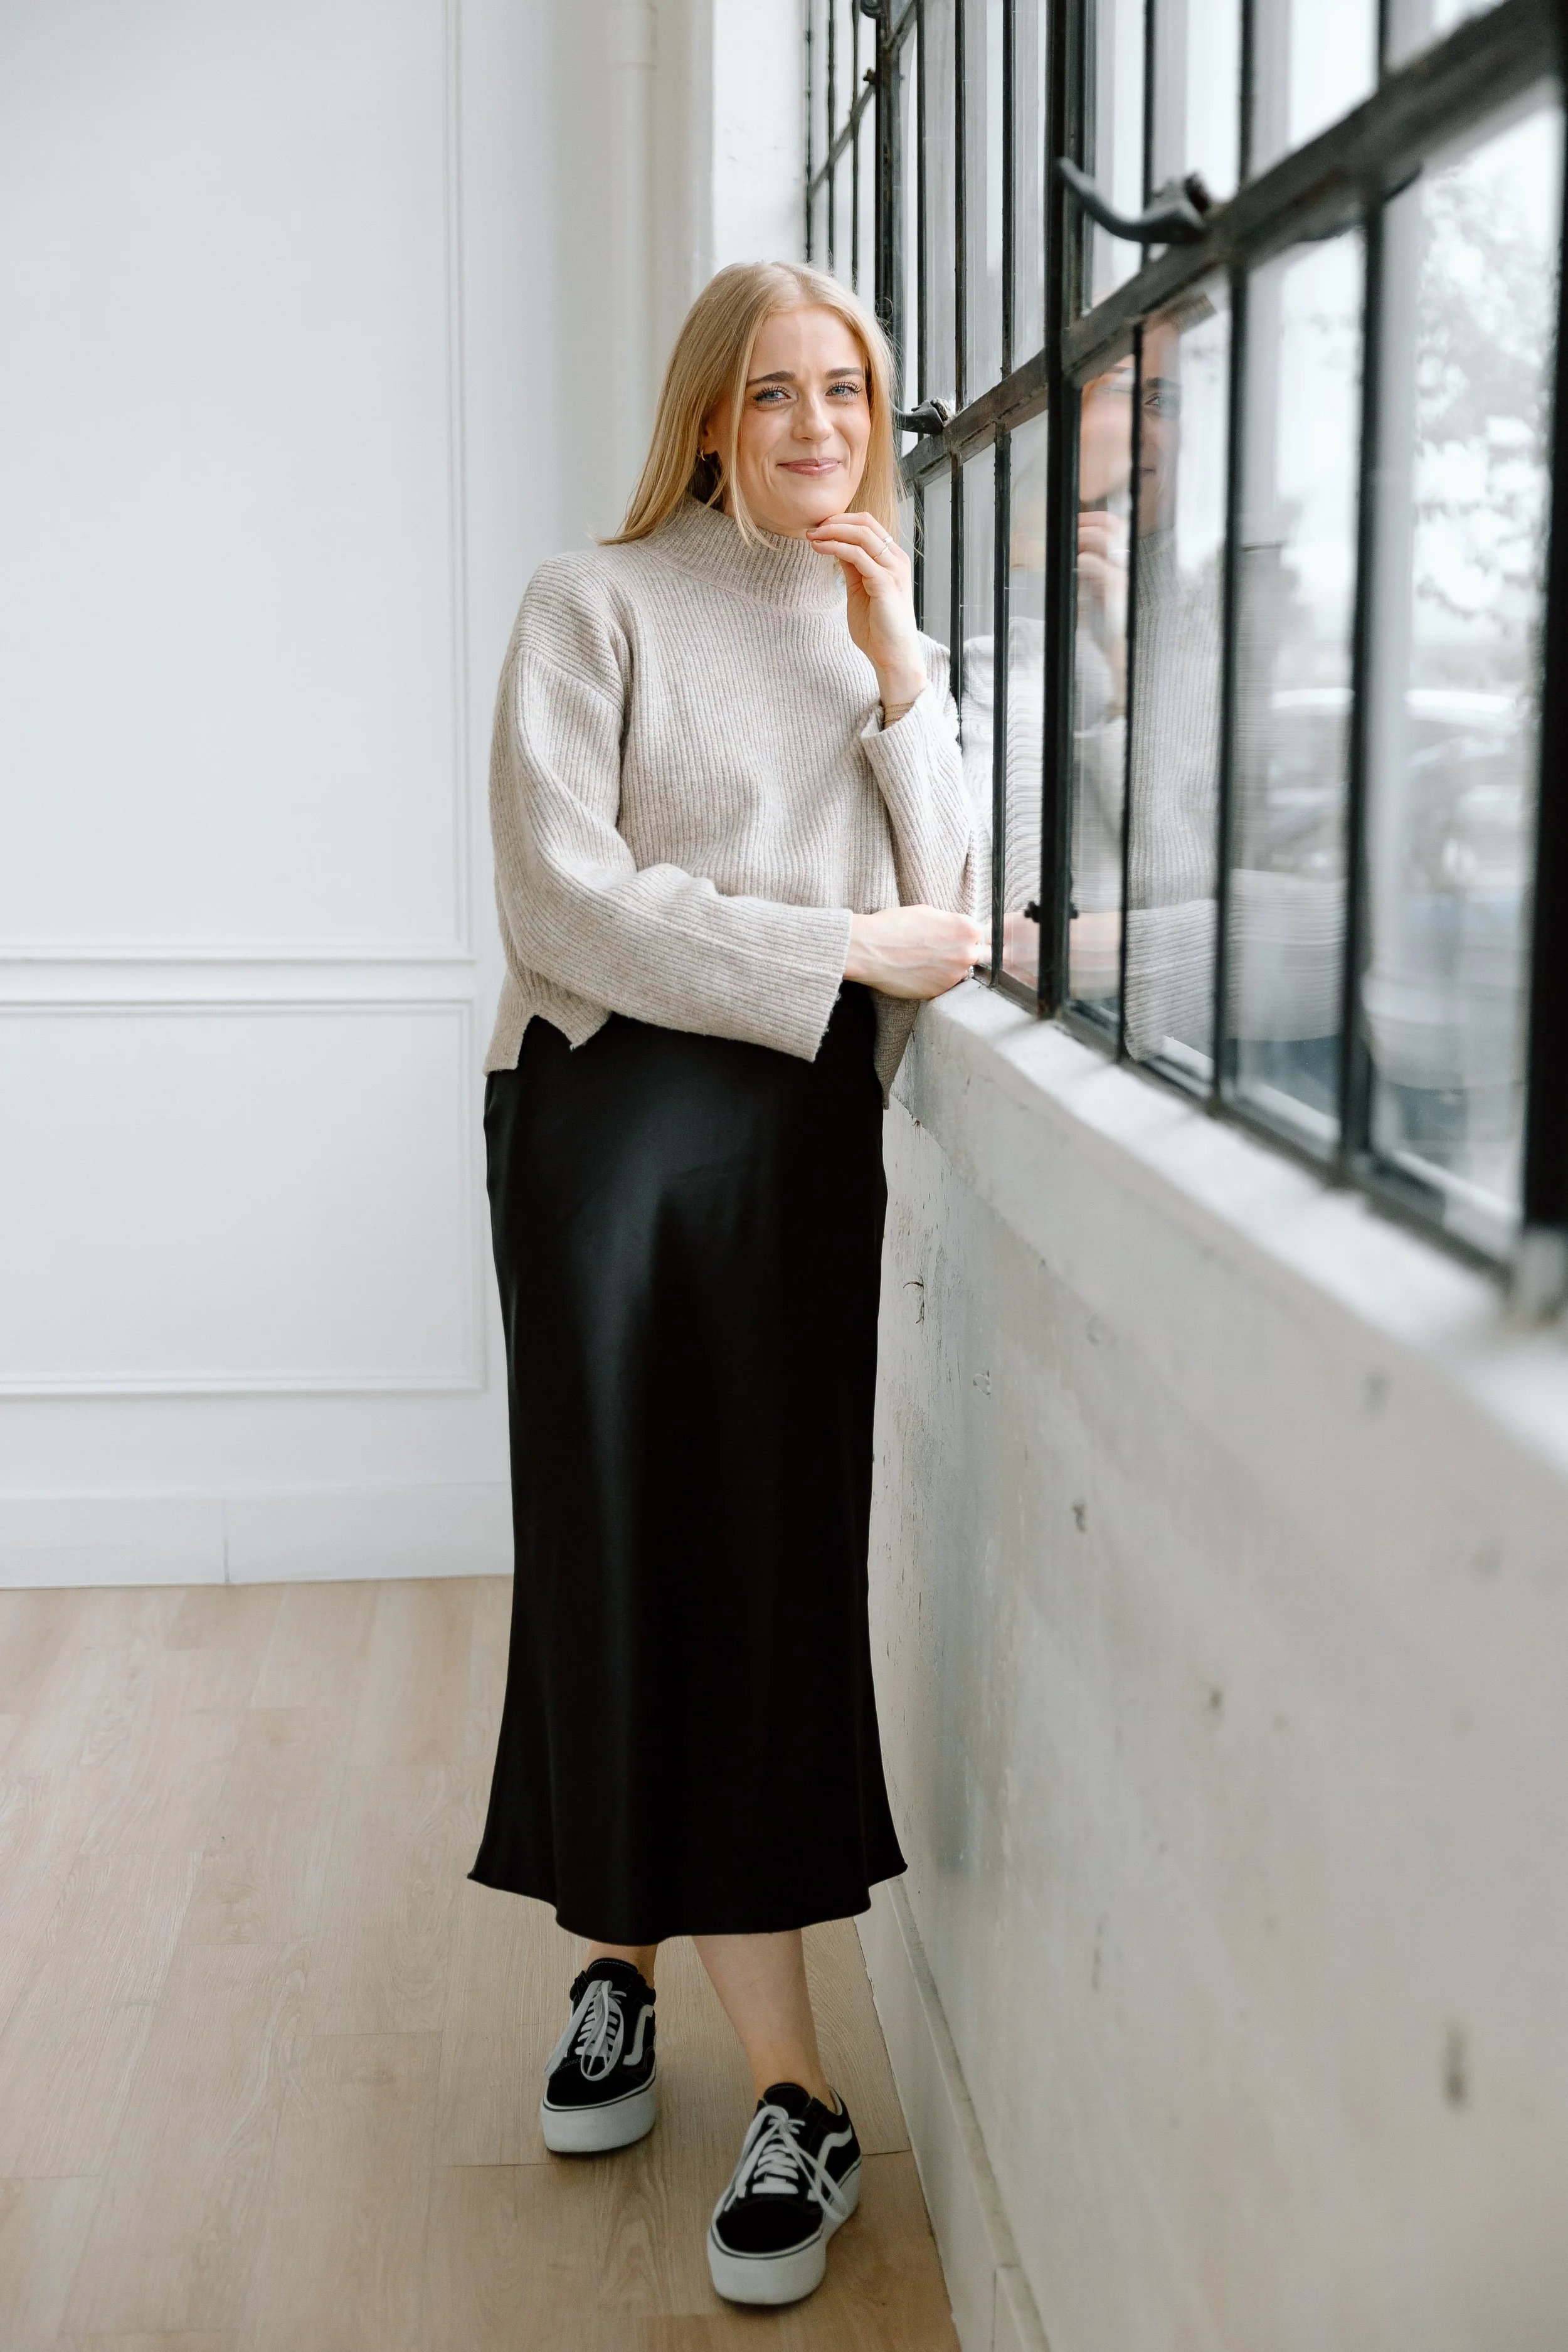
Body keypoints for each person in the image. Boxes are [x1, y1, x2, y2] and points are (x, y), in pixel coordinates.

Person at [470, 260, 982, 2308]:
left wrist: (897, 670)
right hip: (600, 1112)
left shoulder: (870, 625)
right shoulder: (589, 605)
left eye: (843, 393)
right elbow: (557, 895)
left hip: (789, 1138)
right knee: (610, 1542)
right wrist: (831, 951)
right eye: (772, 395)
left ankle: (792, 2087)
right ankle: (623, 1962)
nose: (813, 430)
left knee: (759, 1561)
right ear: (705, 417)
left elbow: (939, 902)